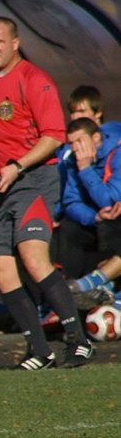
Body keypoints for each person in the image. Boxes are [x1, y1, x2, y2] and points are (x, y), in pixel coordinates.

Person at [0, 17, 93, 370]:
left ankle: (79, 340)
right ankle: (39, 349)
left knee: (33, 258)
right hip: (0, 185)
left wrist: (17, 164)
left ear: (15, 43)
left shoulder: (35, 80)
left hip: (33, 181)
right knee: (1, 270)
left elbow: (53, 136)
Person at [59, 117, 121, 308]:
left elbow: (110, 200)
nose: (75, 148)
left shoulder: (116, 154)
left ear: (95, 138)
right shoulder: (72, 160)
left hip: (116, 223)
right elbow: (71, 201)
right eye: (71, 143)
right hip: (99, 223)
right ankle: (101, 291)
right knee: (69, 230)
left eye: (79, 141)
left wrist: (86, 169)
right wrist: (93, 217)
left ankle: (87, 286)